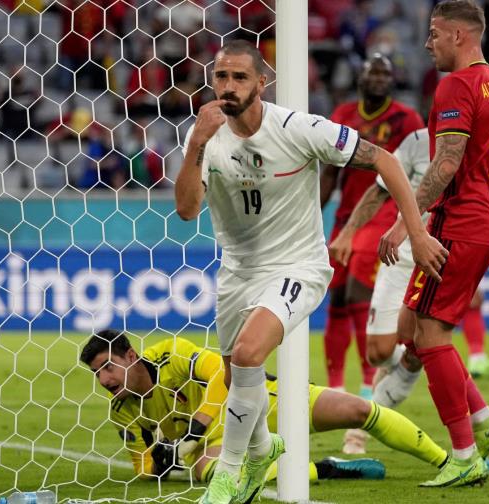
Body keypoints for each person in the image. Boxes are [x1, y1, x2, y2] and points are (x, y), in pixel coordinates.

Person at [174, 39, 446, 503]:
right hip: (237, 271)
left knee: (246, 353)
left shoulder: (299, 128)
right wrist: (197, 142)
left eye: (240, 77)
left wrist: (416, 233)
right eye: (221, 77)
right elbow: (186, 210)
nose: (228, 87)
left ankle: (227, 477)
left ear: (263, 82)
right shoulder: (203, 135)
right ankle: (261, 450)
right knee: (240, 372)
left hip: (299, 265)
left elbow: (383, 159)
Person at [376, 0, 489, 487]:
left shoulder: (457, 85)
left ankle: (464, 454)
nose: (428, 43)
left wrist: (406, 223)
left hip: (458, 222)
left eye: (435, 34)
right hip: (486, 221)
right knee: (417, 327)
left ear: (459, 35)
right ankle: (484, 422)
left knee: (431, 336)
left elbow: (445, 163)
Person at [330, 129, 489, 444]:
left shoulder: (485, 146)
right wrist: (348, 232)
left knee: (423, 344)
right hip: (401, 253)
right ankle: (471, 408)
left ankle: (359, 432)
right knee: (380, 352)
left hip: (442, 256)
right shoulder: (415, 141)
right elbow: (379, 190)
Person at [80, 330, 463, 484]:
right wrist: (161, 461)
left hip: (260, 399)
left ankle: (451, 462)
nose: (105, 381)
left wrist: (193, 430)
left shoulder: (171, 354)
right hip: (219, 437)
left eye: (108, 368)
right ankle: (325, 469)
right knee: (209, 473)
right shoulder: (123, 411)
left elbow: (222, 374)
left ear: (131, 355)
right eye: (97, 375)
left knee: (358, 411)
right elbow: (140, 466)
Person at [319, 54, 425, 408]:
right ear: (360, 79)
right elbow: (330, 174)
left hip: (385, 218)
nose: (378, 78)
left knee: (356, 295)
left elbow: (420, 169)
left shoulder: (407, 120)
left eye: (385, 73)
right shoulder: (343, 116)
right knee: (335, 299)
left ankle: (368, 382)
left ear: (393, 81)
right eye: (372, 73)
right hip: (346, 218)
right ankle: (336, 385)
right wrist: (311, 215)